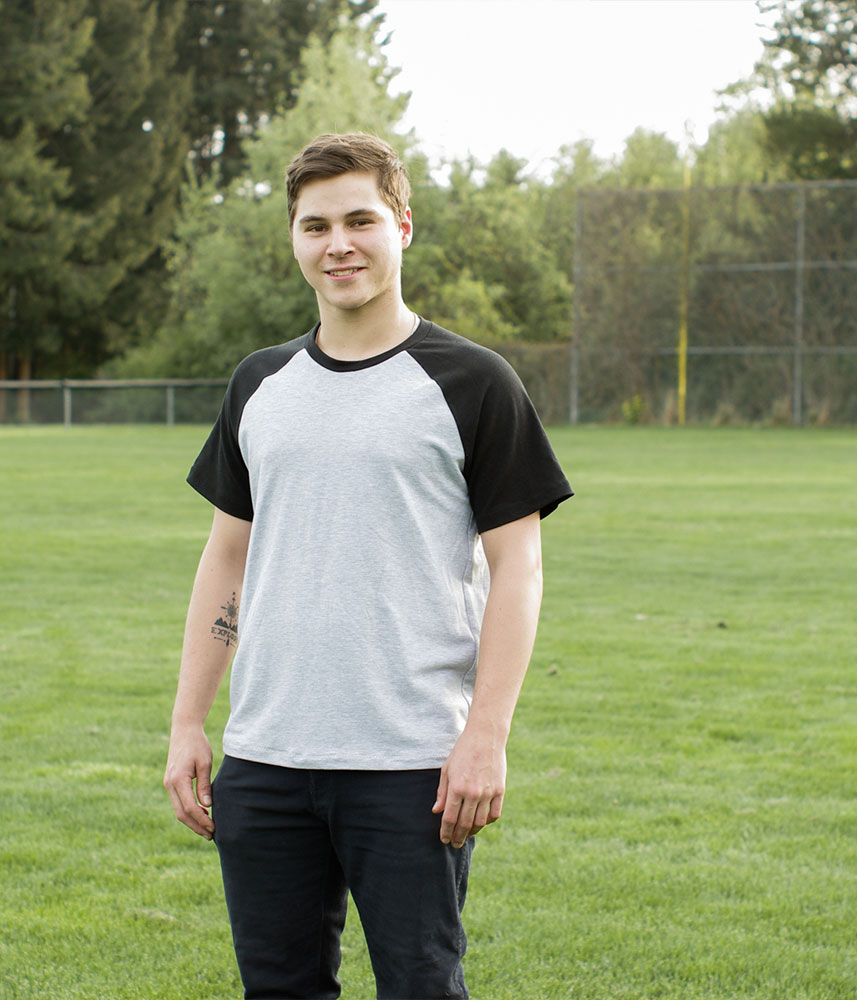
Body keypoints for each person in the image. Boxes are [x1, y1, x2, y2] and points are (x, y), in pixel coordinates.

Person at [163, 132, 573, 1000]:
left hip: (412, 765)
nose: (338, 244)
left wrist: (486, 737)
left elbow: (519, 568)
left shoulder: (474, 382)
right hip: (266, 759)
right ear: (294, 239)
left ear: (402, 228)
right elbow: (227, 555)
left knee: (422, 987)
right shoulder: (258, 383)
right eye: (316, 226)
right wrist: (187, 722)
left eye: (360, 220)